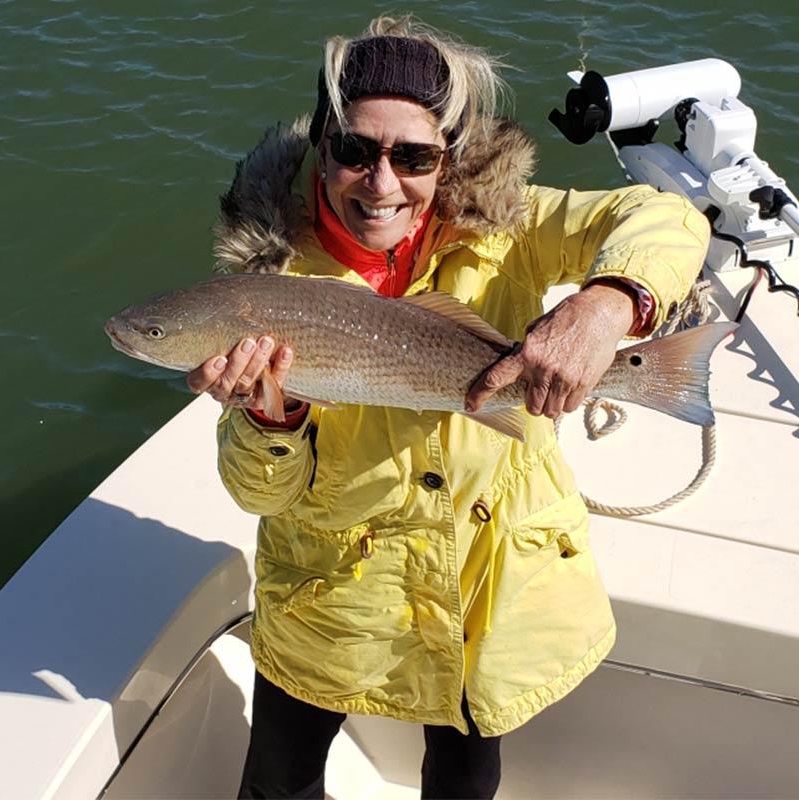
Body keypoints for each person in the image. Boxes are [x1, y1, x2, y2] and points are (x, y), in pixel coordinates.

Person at [187, 15, 709, 799]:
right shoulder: (273, 282)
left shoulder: (511, 227)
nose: (382, 182)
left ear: (451, 156)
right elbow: (261, 496)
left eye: (415, 156)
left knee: (465, 782)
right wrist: (271, 420)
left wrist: (603, 307)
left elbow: (669, 217)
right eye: (355, 150)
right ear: (322, 147)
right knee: (276, 783)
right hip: (334, 603)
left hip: (486, 591)